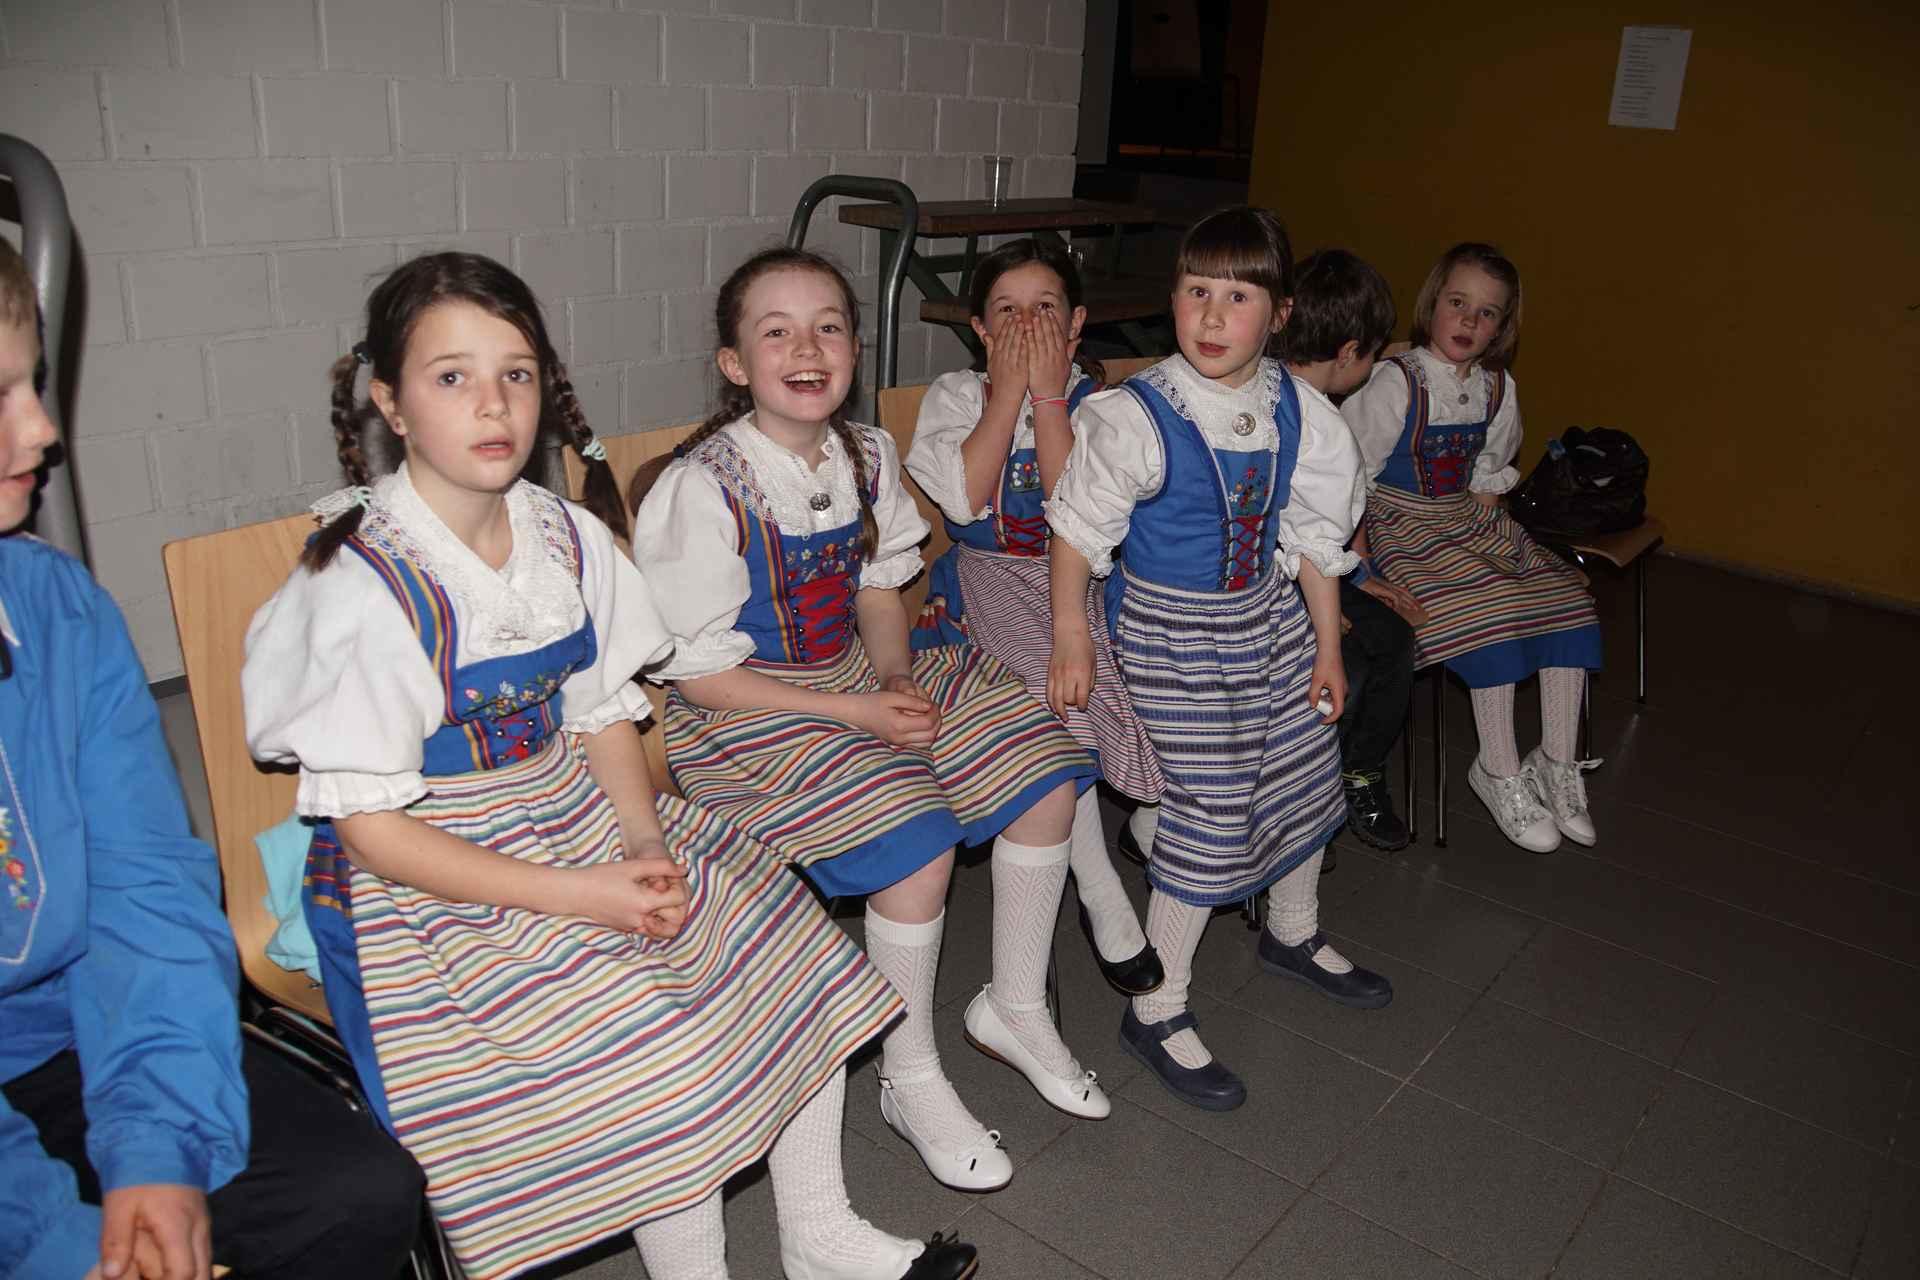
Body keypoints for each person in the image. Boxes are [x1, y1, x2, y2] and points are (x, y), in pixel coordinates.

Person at [241, 252, 976, 1280]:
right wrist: (587, 893)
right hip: (433, 865)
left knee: (792, 955)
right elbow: (373, 833)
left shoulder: (564, 536)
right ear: (391, 404)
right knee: (661, 1044)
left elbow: (601, 718)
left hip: (574, 808)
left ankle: (817, 1229)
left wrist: (641, 842)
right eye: (451, 376)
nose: (492, 403)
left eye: (515, 373)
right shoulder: (359, 584)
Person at [629, 247, 1104, 1194]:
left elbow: (881, 589)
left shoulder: (865, 453)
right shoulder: (702, 487)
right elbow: (701, 676)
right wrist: (853, 709)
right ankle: (907, 1070)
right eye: (777, 333)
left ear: (853, 347)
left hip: (855, 675)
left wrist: (893, 675)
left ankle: (1014, 1003)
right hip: (749, 713)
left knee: (1042, 761)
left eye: (829, 328)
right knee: (917, 840)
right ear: (734, 363)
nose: (808, 349)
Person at [0, 238, 424, 1279]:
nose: (43, 429)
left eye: (30, 383)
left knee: (355, 1193)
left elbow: (141, 883)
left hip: (65, 1034)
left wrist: (158, 1147)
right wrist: (51, 1241)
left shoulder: (54, 607)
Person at [1047, 207, 1394, 1113]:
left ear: (1280, 313)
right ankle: (1156, 1008)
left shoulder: (1299, 411)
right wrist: (1073, 632)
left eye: (1237, 297)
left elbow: (1313, 540)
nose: (1210, 315)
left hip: (1265, 620)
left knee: (1306, 763)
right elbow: (1077, 534)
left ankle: (1292, 927)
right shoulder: (1138, 415)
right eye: (1196, 290)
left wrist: (1327, 646)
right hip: (1171, 636)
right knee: (1212, 804)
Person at [903, 237, 1162, 996]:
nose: (1025, 325)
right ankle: (1101, 889)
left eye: (1044, 309)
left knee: (1157, 669)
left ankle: (1154, 818)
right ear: (980, 329)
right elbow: (963, 502)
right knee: (1059, 711)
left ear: (1075, 325)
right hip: (986, 583)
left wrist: (1049, 399)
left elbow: (1073, 512)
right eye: (1007, 311)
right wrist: (1010, 393)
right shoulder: (957, 396)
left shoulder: (1100, 405)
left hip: (1079, 577)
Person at [1340, 243, 1602, 853]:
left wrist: (1497, 546)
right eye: (1458, 303)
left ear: (1502, 326)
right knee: (1488, 614)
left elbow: (1487, 477)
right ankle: (1498, 768)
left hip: (1464, 518)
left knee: (1565, 601)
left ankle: (1557, 760)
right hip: (1396, 524)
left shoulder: (1496, 388)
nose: (1468, 321)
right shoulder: (1395, 383)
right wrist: (1361, 567)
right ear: (1432, 303)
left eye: (1487, 313)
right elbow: (1349, 480)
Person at [1274, 249, 1425, 852]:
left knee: (1393, 639)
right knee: (1352, 671)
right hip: (1267, 584)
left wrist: (1358, 578)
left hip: (1318, 574)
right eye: (1373, 354)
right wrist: (1321, 609)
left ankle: (1358, 771)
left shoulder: (1319, 412)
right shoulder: (1294, 415)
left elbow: (1328, 523)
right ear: (1349, 352)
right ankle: (1299, 799)